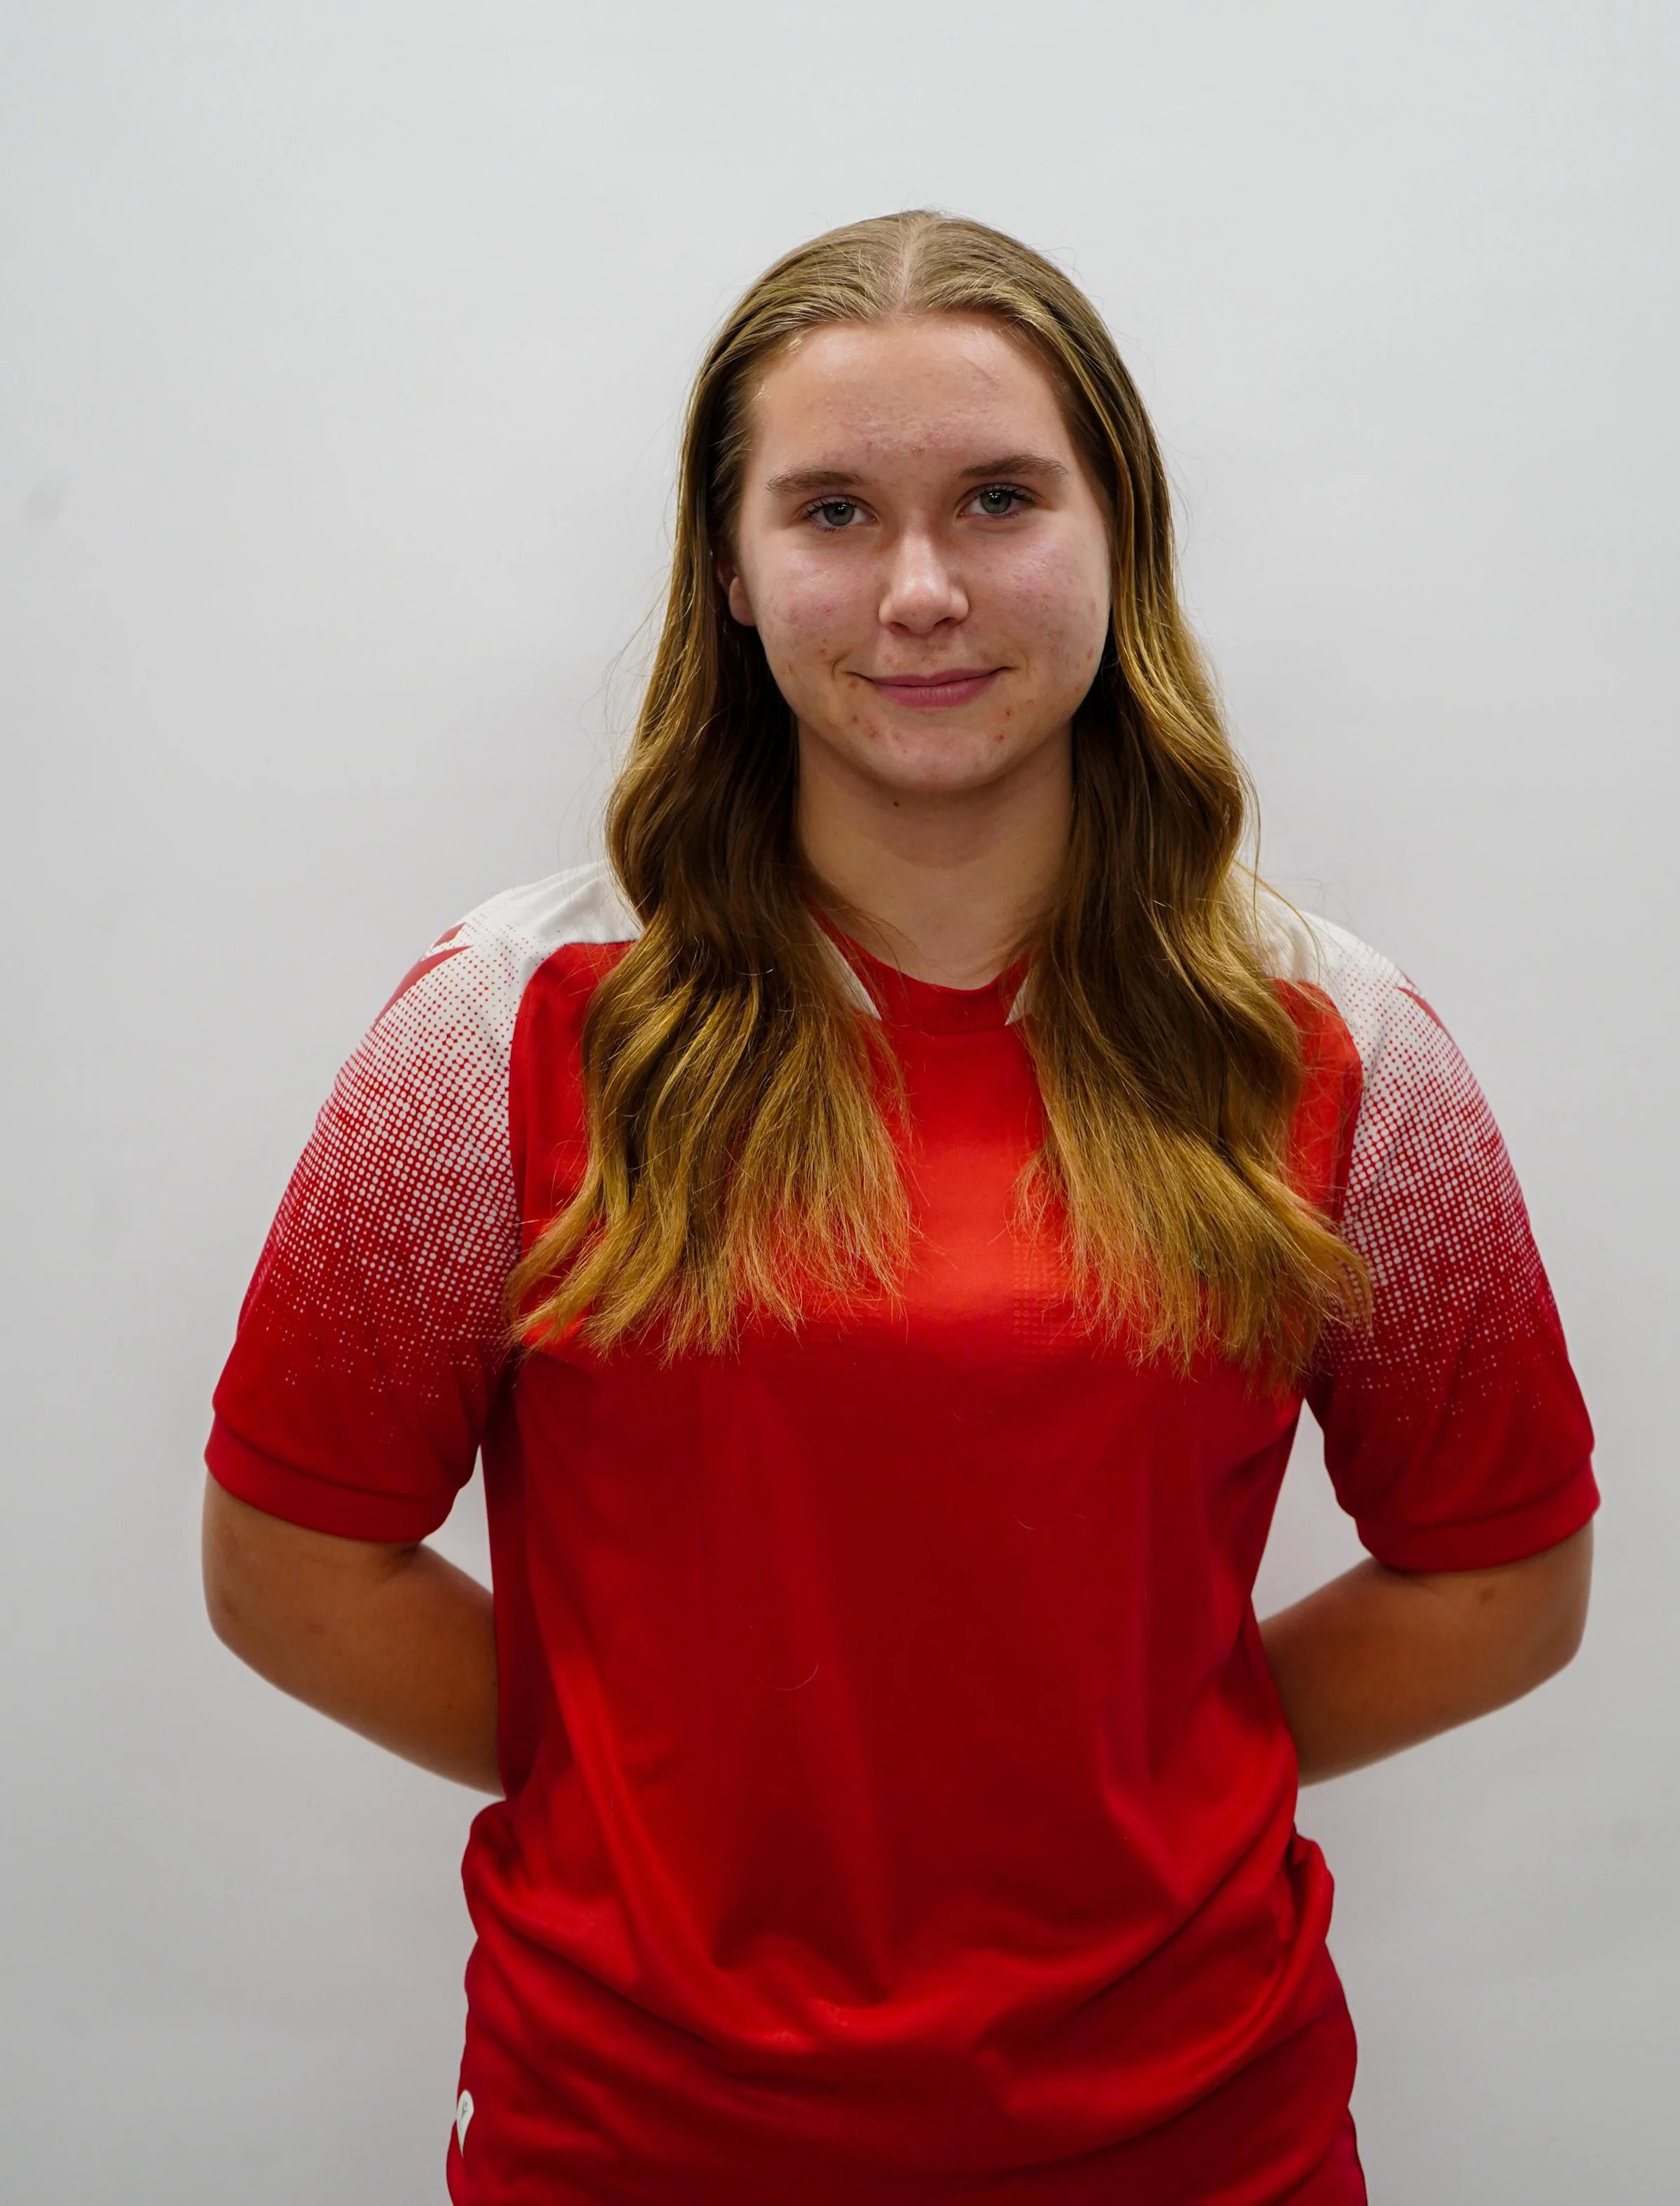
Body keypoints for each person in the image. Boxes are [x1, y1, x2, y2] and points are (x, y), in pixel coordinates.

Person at [202, 211, 1596, 2205]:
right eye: (835, 509)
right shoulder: (498, 1033)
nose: (922, 589)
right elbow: (289, 1561)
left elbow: (1498, 1578)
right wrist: (652, 1797)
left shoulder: (1336, 1047)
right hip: (632, 2136)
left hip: (1197, 2133)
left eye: (999, 499)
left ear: (1120, 538)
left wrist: (1121, 1770)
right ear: (733, 569)